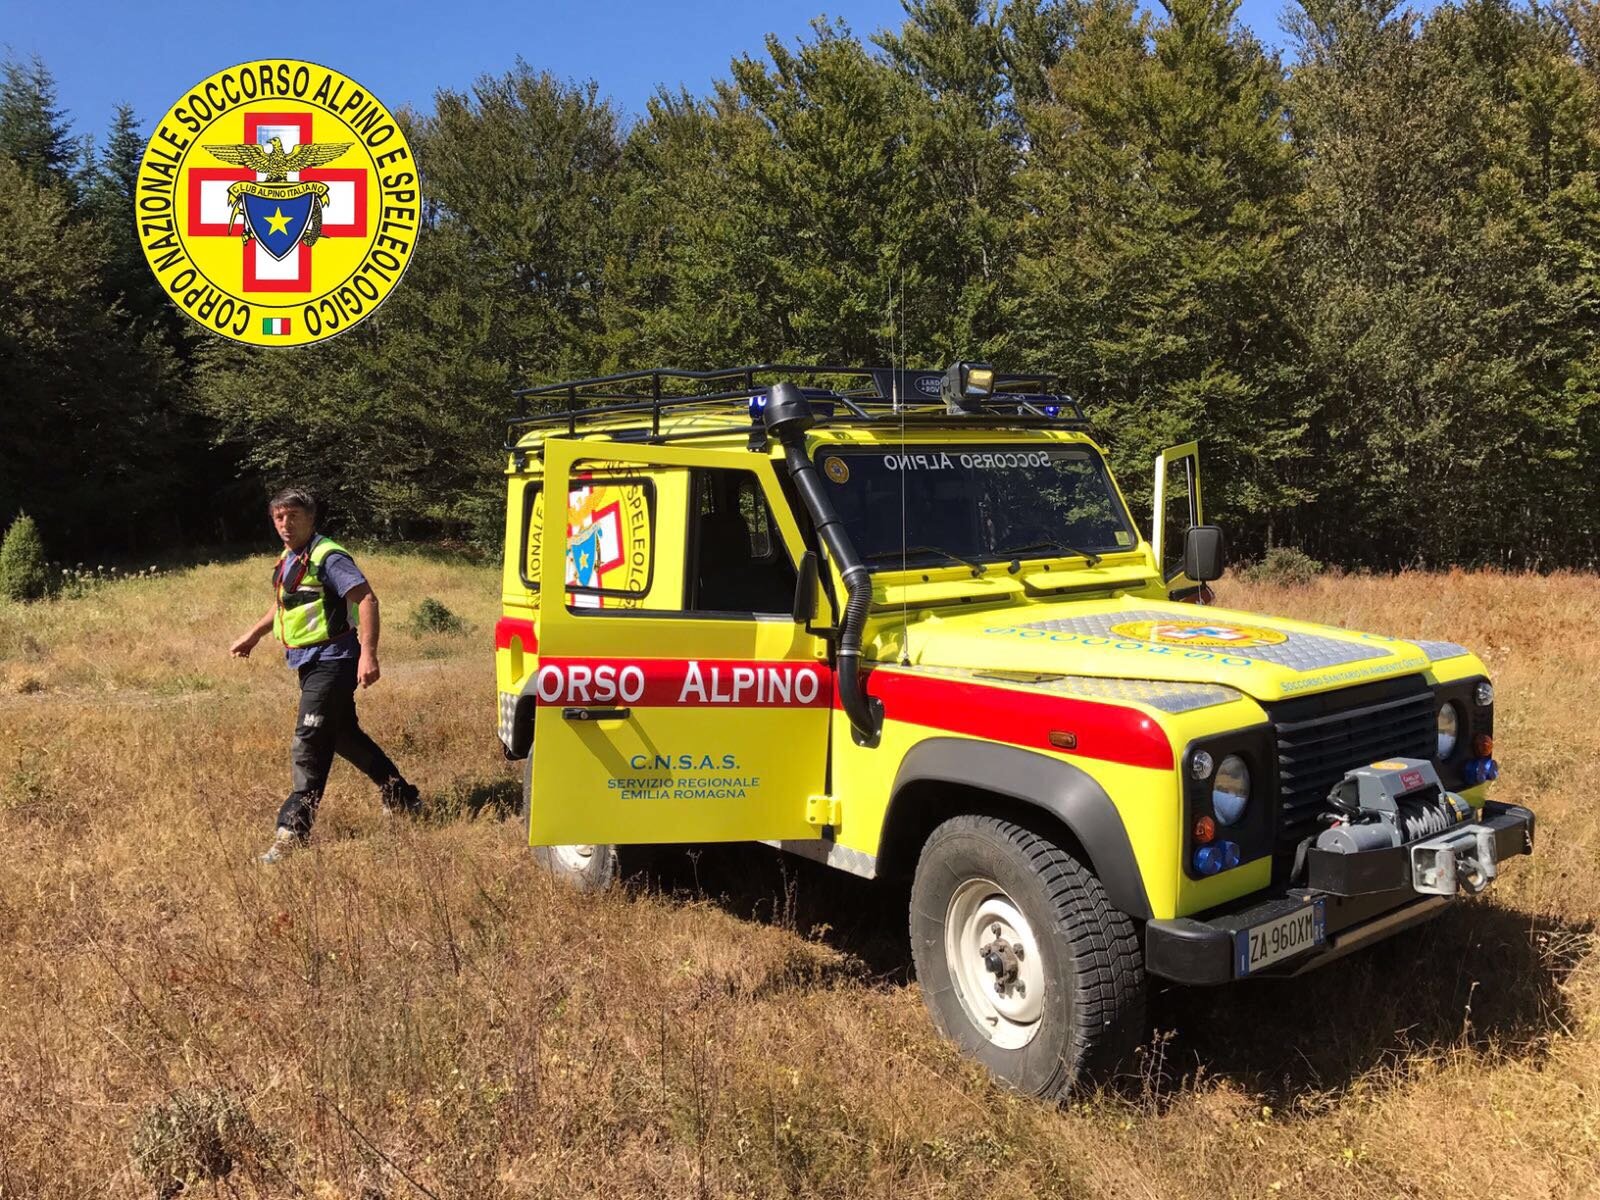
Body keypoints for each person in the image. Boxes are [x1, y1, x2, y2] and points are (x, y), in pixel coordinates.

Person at [229, 486, 420, 863]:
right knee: (343, 736)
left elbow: (366, 598)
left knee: (311, 737)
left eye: (294, 516)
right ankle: (403, 797)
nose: (286, 524)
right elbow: (285, 604)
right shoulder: (290, 556)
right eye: (279, 517)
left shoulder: (328, 556)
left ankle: (292, 831)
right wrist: (253, 635)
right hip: (308, 661)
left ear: (311, 518)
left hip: (335, 660)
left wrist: (369, 654)